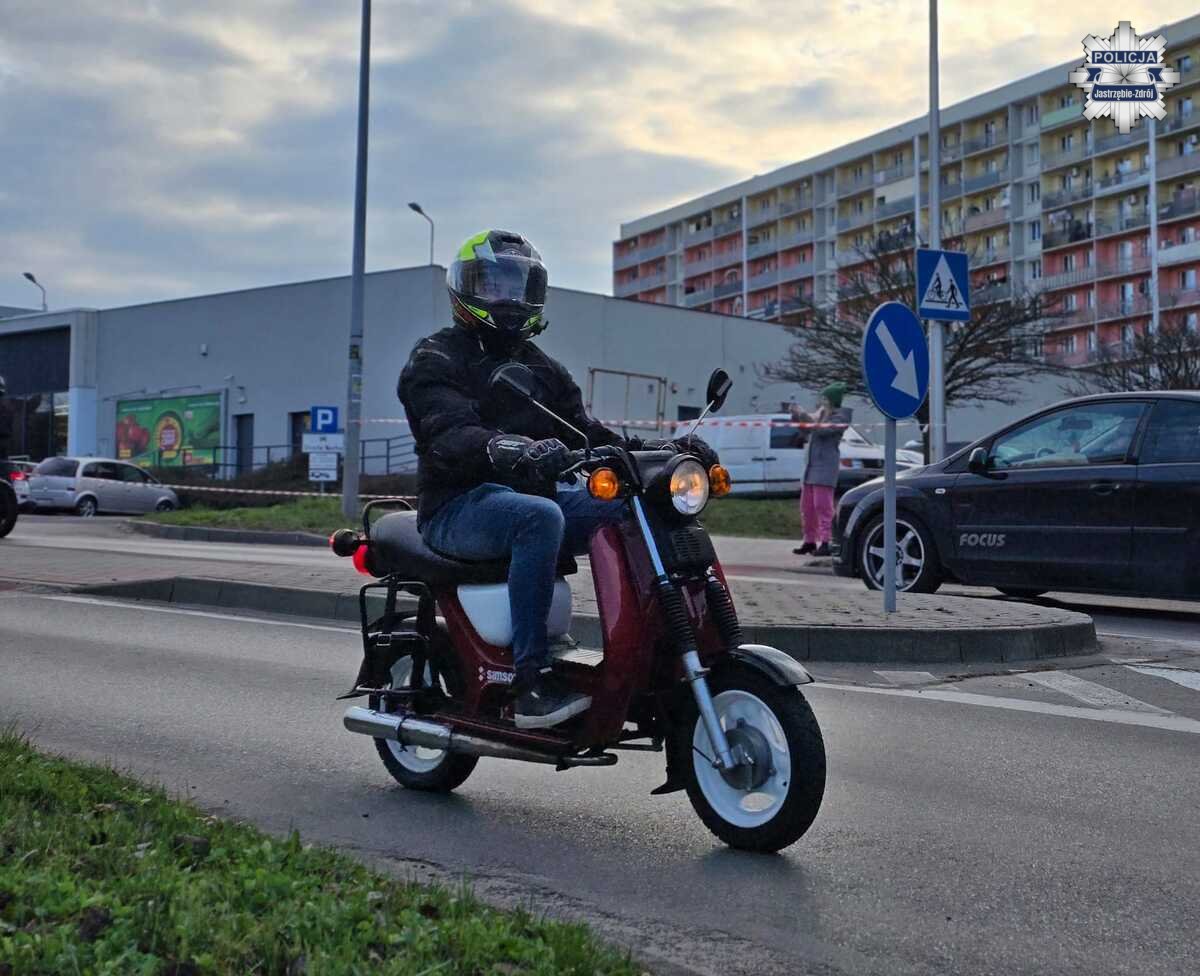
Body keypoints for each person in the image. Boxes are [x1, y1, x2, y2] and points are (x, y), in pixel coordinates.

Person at [398, 230, 716, 730]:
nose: (508, 297)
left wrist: (665, 450)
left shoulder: (541, 367)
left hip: (528, 495)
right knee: (539, 517)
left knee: (636, 505)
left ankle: (660, 646)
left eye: (518, 285)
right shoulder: (435, 358)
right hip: (458, 505)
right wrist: (509, 447)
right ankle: (531, 681)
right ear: (466, 288)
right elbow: (448, 433)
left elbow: (587, 433)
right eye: (494, 284)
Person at [790, 382, 851, 557]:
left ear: (832, 400)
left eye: (825, 398)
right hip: (811, 467)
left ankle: (827, 541)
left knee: (823, 506)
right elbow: (807, 431)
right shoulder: (821, 414)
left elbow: (821, 430)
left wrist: (803, 414)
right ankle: (809, 541)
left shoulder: (840, 417)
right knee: (807, 507)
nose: (822, 401)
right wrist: (796, 417)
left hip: (825, 468)